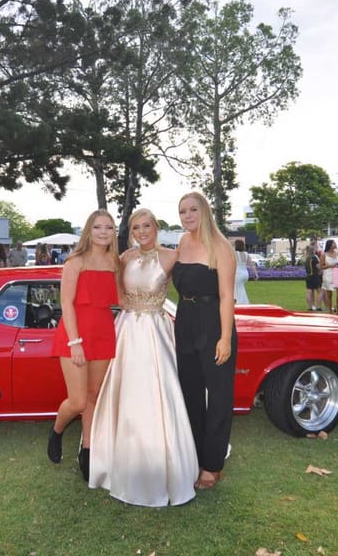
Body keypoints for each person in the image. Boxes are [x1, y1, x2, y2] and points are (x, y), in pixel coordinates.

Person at [89, 209, 198, 507]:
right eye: (136, 227)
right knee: (128, 394)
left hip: (157, 331)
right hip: (127, 330)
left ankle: (166, 464)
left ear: (156, 227)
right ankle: (123, 461)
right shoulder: (123, 258)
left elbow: (194, 284)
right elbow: (114, 293)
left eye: (146, 225)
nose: (141, 231)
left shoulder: (172, 256)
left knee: (159, 393)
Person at [47, 210, 120, 482]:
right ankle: (56, 431)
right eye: (98, 227)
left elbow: (121, 298)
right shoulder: (75, 261)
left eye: (109, 228)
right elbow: (66, 303)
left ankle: (87, 450)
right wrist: (75, 342)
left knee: (93, 396)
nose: (103, 232)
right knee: (77, 400)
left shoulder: (115, 262)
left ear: (114, 233)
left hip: (103, 332)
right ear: (88, 231)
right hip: (74, 334)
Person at [172, 191, 237, 490]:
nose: (187, 216)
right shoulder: (183, 242)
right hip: (184, 320)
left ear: (205, 211)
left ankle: (212, 465)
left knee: (219, 396)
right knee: (191, 394)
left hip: (213, 322)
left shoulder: (221, 247)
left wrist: (225, 338)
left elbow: (227, 297)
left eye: (193, 210)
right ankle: (194, 456)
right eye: (183, 211)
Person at [320, 239, 338, 314]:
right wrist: (330, 266)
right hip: (328, 274)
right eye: (333, 243)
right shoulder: (324, 255)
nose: (335, 244)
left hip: (337, 273)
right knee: (329, 293)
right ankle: (330, 309)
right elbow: (321, 266)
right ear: (329, 245)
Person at [233, 238, 257, 305]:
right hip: (245, 274)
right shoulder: (246, 254)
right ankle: (244, 302)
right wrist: (256, 274)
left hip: (237, 274)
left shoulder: (233, 253)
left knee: (236, 289)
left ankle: (239, 302)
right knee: (241, 288)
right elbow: (252, 265)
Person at [303, 244, 323, 311]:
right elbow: (318, 266)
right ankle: (319, 307)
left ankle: (309, 307)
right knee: (320, 291)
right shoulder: (314, 257)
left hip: (308, 276)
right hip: (314, 276)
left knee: (309, 292)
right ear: (313, 250)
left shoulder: (306, 258)